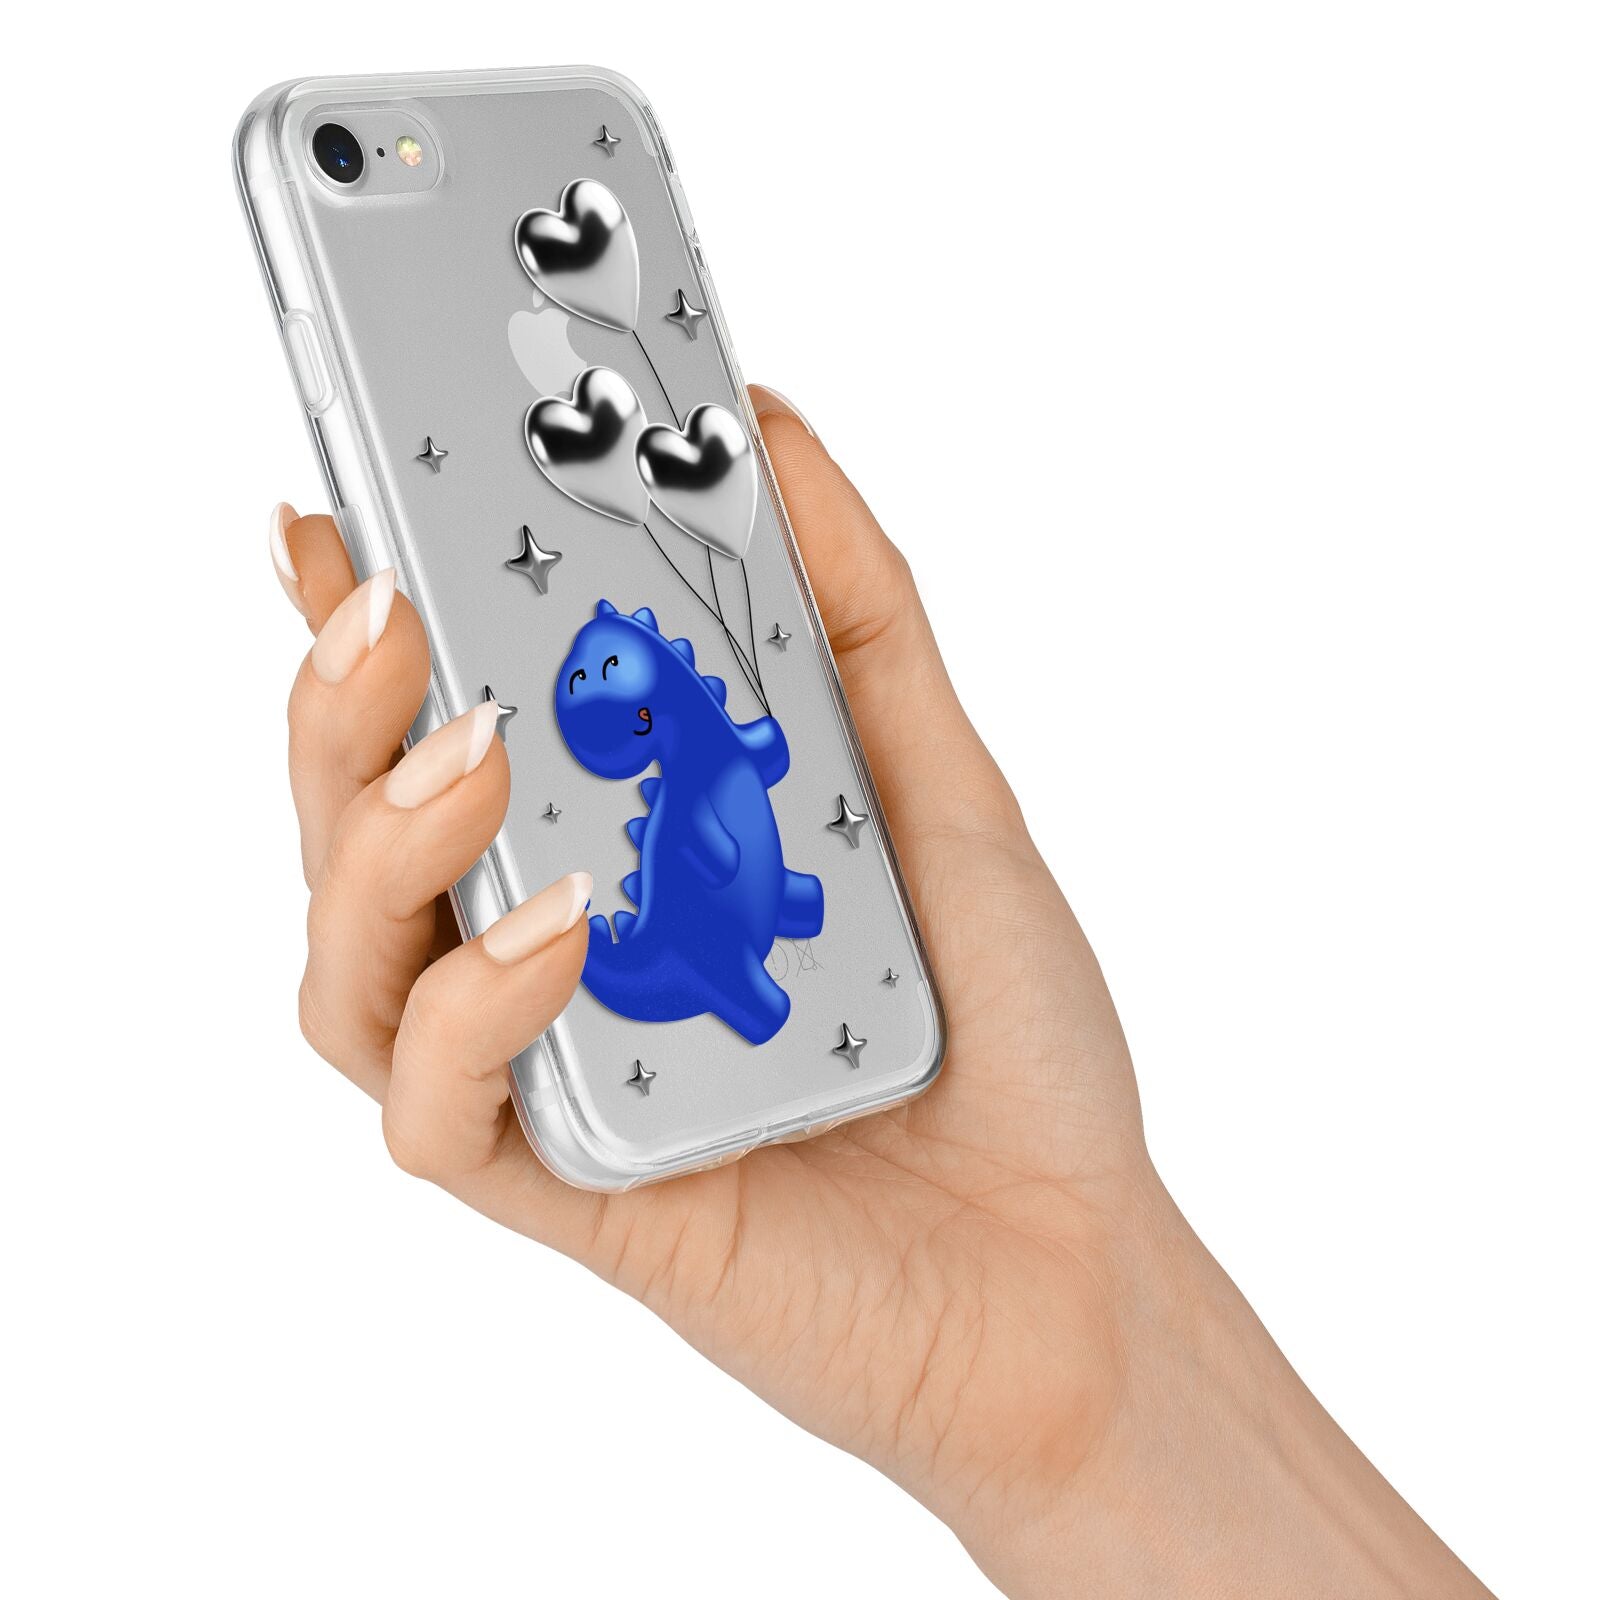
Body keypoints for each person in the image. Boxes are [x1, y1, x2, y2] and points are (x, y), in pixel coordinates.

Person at [268, 384, 1491, 1597]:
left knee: (731, 922)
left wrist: (1097, 1362)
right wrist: (1093, 1412)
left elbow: (733, 757)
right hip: (719, 912)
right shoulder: (692, 740)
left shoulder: (702, 732)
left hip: (744, 912)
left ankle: (742, 970)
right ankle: (737, 968)